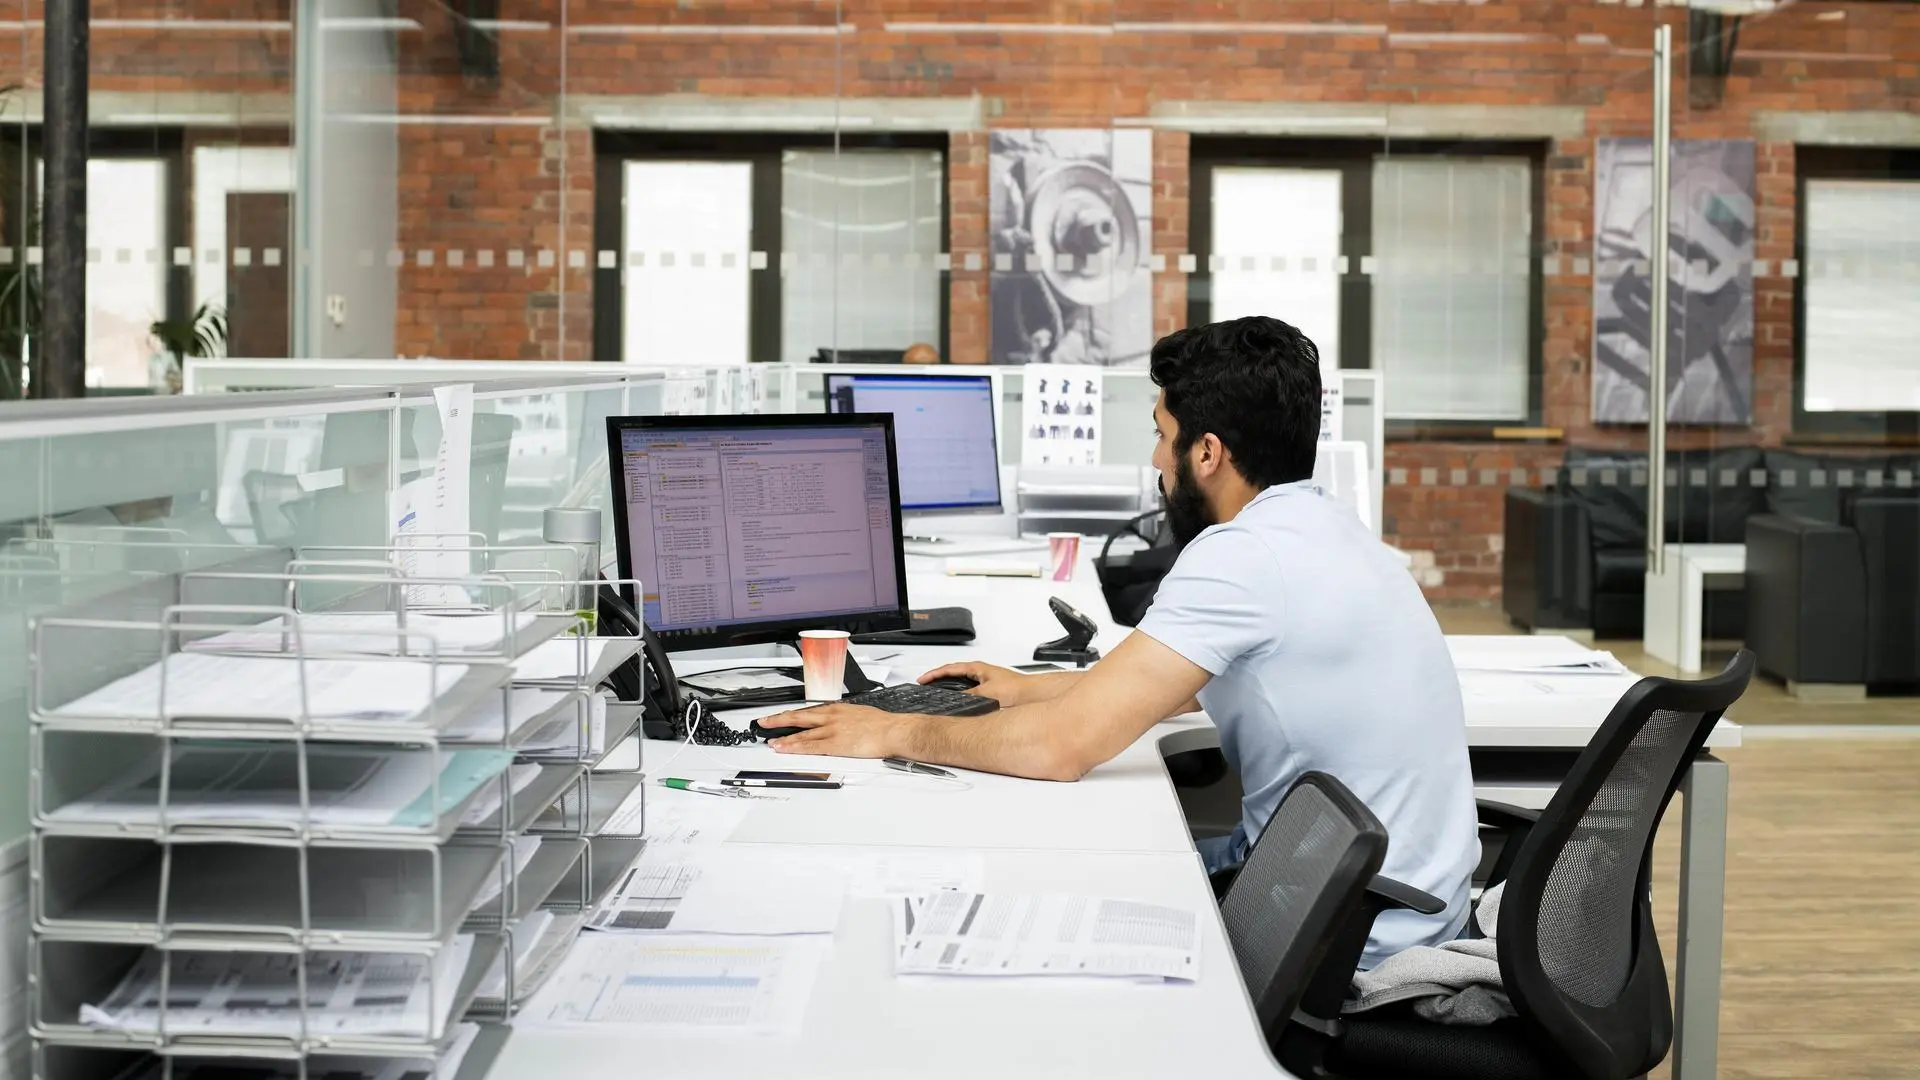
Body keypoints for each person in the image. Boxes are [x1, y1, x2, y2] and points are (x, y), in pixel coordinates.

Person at [763, 315, 1478, 968]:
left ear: (1208, 452)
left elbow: (1060, 749)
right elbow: (1176, 682)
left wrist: (892, 733)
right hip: (1387, 906)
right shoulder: (1330, 531)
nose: (1156, 459)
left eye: (1163, 434)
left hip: (1336, 945)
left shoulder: (1243, 556)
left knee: (1034, 889)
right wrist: (1028, 687)